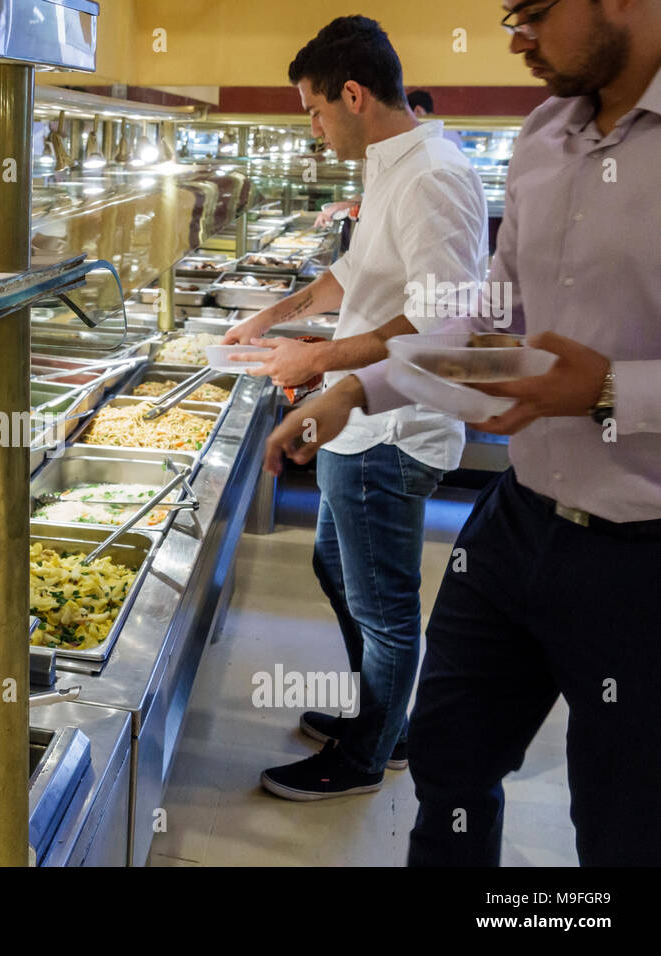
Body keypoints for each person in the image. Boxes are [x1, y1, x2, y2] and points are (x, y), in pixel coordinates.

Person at [264, 0, 661, 865]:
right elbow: (484, 323)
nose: (513, 36)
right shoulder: (547, 136)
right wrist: (358, 387)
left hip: (640, 550)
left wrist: (607, 392)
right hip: (521, 517)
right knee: (447, 762)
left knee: (624, 825)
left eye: (532, 11)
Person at [222, 15, 489, 800]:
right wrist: (271, 319)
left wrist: (321, 361)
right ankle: (377, 719)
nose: (311, 126)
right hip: (360, 421)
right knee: (334, 562)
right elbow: (351, 276)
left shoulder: (432, 171)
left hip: (392, 425)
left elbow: (445, 319)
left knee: (384, 607)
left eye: (313, 108)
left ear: (353, 92)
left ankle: (367, 754)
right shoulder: (390, 164)